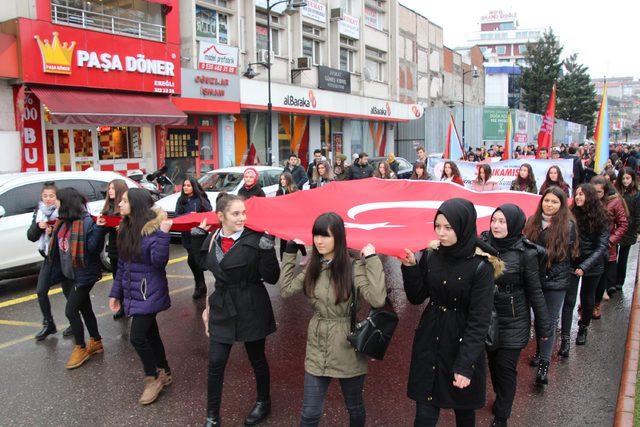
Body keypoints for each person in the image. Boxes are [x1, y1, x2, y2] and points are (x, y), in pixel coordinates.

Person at [399, 198, 501, 427]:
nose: (441, 233)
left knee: (463, 413)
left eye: (448, 227)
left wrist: (465, 364)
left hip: (462, 344)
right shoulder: (432, 254)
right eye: (437, 226)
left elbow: (479, 320)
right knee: (424, 415)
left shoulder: (481, 266)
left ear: (464, 226)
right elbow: (417, 297)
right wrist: (411, 267)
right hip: (430, 339)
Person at [279, 213, 386, 426]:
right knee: (309, 414)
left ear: (338, 237)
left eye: (325, 236)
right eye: (316, 236)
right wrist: (289, 254)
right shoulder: (313, 267)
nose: (319, 241)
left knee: (354, 407)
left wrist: (373, 260)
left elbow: (377, 298)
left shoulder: (354, 267)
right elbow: (285, 290)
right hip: (317, 344)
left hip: (347, 344)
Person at [191, 194, 280, 427]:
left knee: (257, 358)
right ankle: (212, 416)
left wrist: (268, 250)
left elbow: (272, 278)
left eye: (244, 213)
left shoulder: (255, 239)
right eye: (236, 213)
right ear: (221, 216)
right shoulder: (212, 239)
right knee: (216, 362)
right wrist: (195, 241)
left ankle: (264, 401)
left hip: (251, 304)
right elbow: (203, 264)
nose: (242, 218)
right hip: (223, 304)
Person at [480, 204, 550, 427]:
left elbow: (535, 291)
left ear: (514, 224)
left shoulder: (526, 252)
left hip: (514, 317)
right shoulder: (483, 243)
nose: (496, 225)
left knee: (505, 367)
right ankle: (502, 396)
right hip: (488, 315)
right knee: (493, 363)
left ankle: (502, 416)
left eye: (502, 221)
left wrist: (543, 327)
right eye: (494, 220)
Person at [108, 189, 173, 405]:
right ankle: (164, 371)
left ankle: (152, 378)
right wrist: (115, 293)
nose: (119, 204)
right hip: (133, 291)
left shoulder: (155, 230)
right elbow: (122, 265)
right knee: (151, 333)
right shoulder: (126, 228)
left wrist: (164, 234)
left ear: (135, 205)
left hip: (149, 291)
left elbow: (158, 261)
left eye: (124, 201)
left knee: (137, 337)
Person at [42, 188, 107, 369]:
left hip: (84, 275)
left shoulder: (86, 222)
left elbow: (94, 249)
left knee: (70, 311)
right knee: (85, 308)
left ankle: (81, 347)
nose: (55, 203)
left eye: (58, 200)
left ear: (67, 203)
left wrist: (100, 229)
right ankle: (96, 341)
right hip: (69, 274)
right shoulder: (62, 222)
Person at [523, 187, 578, 386]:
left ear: (561, 205)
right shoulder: (532, 221)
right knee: (538, 320)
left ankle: (544, 366)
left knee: (549, 321)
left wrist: (530, 247)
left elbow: (557, 255)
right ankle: (539, 351)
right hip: (534, 278)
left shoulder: (568, 225)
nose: (549, 204)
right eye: (547, 200)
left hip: (556, 281)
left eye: (554, 202)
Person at [559, 184, 609, 354]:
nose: (578, 197)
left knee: (587, 299)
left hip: (593, 265)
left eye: (582, 194)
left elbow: (602, 246)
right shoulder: (570, 214)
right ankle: (565, 339)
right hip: (572, 264)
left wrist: (585, 267)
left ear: (590, 196)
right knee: (569, 301)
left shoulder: (601, 217)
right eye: (577, 194)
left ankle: (583, 327)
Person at [28, 181, 68, 340]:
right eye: (45, 196)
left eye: (51, 196)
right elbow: (31, 236)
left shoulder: (63, 210)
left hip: (64, 257)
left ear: (57, 196)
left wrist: (54, 230)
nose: (48, 199)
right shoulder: (39, 212)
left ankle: (75, 322)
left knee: (70, 292)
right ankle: (48, 323)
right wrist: (39, 227)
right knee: (41, 291)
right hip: (50, 257)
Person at [592, 176, 628, 307]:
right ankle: (588, 303)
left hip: (606, 245)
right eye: (593, 192)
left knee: (602, 275)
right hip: (589, 245)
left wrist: (610, 241)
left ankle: (597, 303)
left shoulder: (614, 202)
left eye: (599, 192)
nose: (596, 195)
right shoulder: (587, 200)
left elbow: (623, 224)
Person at [176, 176, 212, 300]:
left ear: (194, 186)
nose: (186, 188)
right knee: (193, 260)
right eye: (184, 185)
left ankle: (200, 285)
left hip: (199, 235)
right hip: (186, 235)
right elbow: (177, 216)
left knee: (193, 260)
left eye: (188, 185)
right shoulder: (181, 200)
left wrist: (197, 217)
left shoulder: (201, 199)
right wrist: (188, 216)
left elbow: (209, 213)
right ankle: (200, 284)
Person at [101, 179, 128, 320]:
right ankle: (122, 305)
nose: (110, 191)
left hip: (126, 248)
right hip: (113, 248)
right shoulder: (108, 208)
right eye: (109, 188)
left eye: (113, 188)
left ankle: (129, 305)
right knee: (116, 277)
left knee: (127, 278)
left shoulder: (127, 207)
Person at [615, 168, 640, 291]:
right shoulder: (616, 191)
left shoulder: (636, 194)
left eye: (628, 178)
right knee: (613, 256)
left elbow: (638, 214)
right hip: (615, 227)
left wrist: (636, 229)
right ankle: (611, 281)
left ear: (632, 178)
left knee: (623, 257)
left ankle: (620, 281)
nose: (625, 181)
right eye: (623, 178)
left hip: (629, 229)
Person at [275, 172, 305, 261]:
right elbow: (276, 203)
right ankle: (282, 260)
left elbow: (299, 204)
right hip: (283, 218)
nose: (282, 181)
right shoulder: (279, 191)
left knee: (295, 237)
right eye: (281, 179)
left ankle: (304, 255)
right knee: (282, 239)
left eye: (284, 179)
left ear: (289, 180)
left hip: (293, 218)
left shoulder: (294, 189)